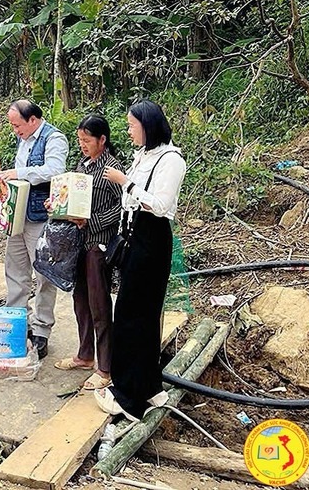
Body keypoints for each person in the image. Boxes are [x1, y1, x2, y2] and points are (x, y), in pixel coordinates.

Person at [95, 99, 186, 421]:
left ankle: (128, 397)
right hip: (134, 235)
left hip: (151, 238)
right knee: (140, 314)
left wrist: (126, 182)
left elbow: (160, 205)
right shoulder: (143, 155)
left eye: (132, 125)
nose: (129, 130)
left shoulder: (171, 159)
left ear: (147, 125)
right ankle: (149, 386)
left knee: (134, 316)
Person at [53, 115, 123, 390]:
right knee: (80, 298)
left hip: (98, 243)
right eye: (80, 140)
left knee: (99, 303)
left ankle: (105, 367)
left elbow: (120, 208)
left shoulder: (112, 168)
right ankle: (84, 354)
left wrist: (90, 221)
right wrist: (58, 204)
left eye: (87, 140)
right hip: (77, 242)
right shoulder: (82, 164)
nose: (82, 145)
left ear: (102, 140)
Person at [0, 99, 69, 359]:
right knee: (15, 271)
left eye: (18, 125)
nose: (15, 130)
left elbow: (54, 170)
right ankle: (18, 323)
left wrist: (19, 173)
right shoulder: (24, 138)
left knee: (43, 275)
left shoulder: (54, 138)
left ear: (33, 120)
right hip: (17, 215)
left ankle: (41, 330)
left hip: (39, 217)